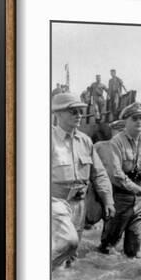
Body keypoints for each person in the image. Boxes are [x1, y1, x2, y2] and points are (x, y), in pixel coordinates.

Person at [51, 93, 115, 269]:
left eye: (80, 111)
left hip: (79, 203)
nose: (79, 114)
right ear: (57, 114)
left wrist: (107, 200)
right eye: (73, 111)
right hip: (55, 201)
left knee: (71, 255)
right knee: (68, 241)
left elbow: (99, 174)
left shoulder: (85, 141)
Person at [99, 102, 141, 257]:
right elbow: (116, 173)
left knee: (134, 248)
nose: (139, 122)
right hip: (121, 198)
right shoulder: (117, 142)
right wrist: (135, 189)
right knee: (109, 245)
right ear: (126, 122)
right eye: (135, 118)